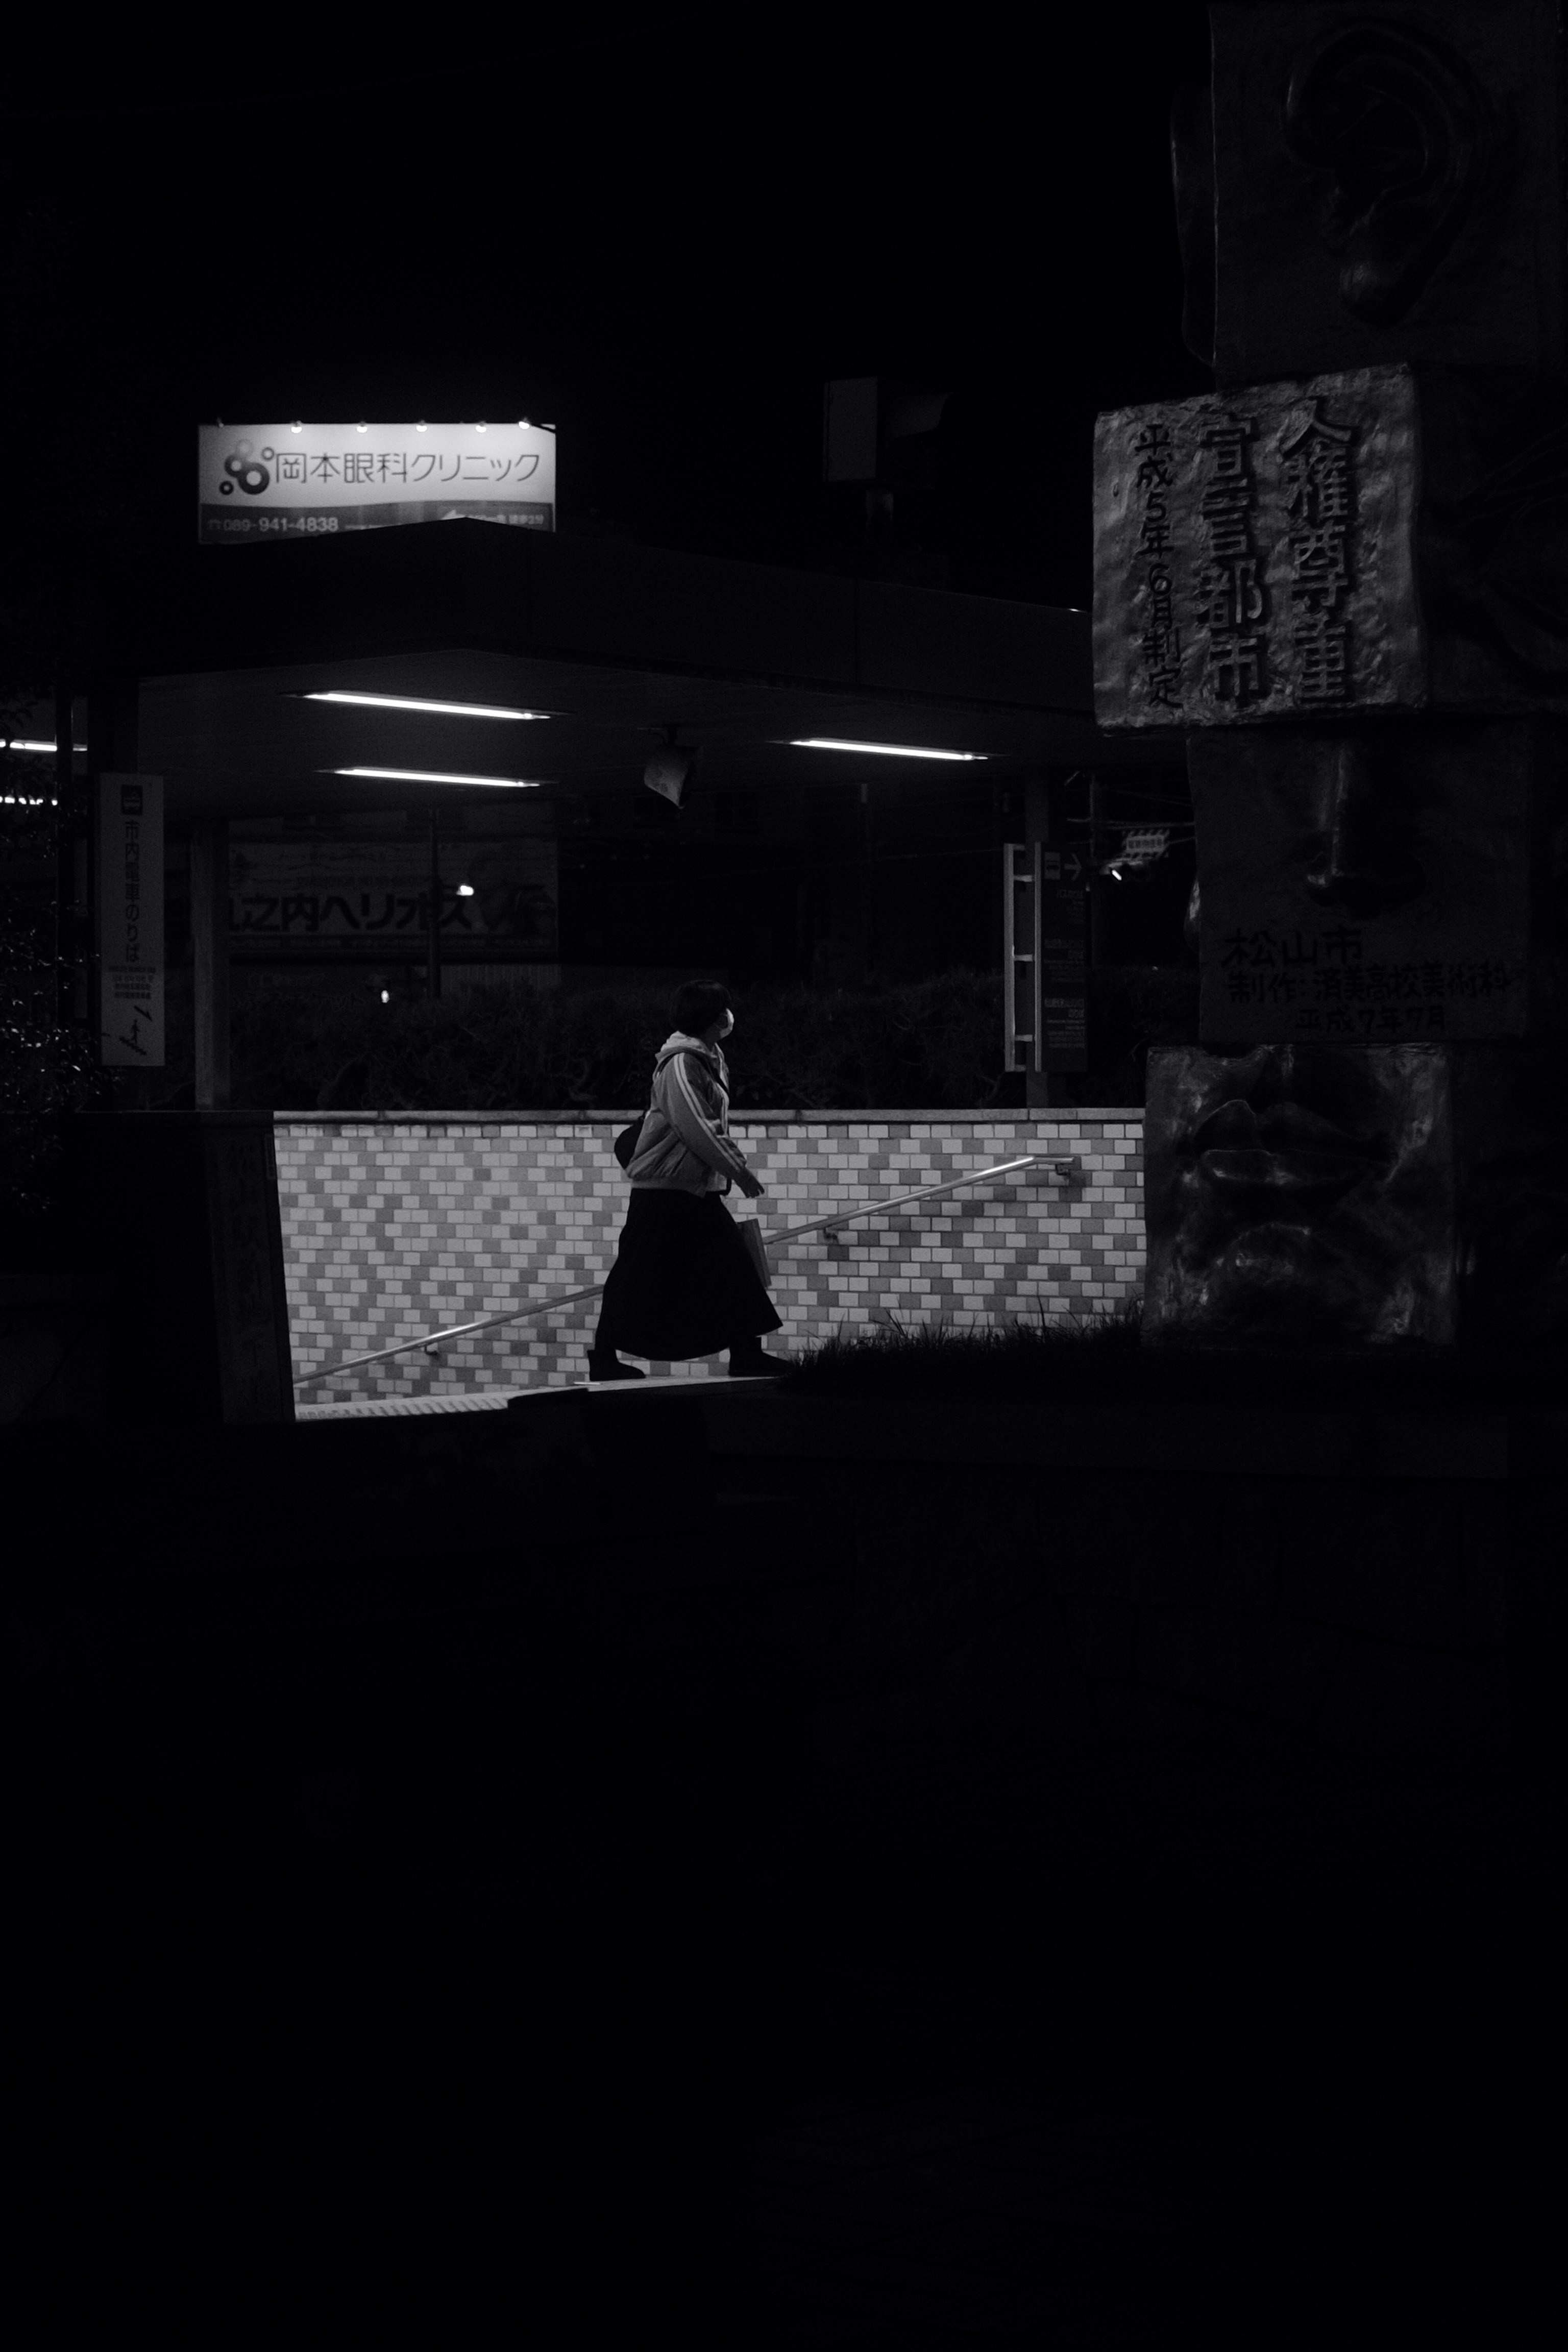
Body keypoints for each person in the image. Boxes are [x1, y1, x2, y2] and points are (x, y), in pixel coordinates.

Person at [586, 980, 787, 1381]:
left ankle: (746, 1352)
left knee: (731, 1261)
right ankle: (605, 1358)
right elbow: (697, 1125)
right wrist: (739, 1170)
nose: (730, 1017)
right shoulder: (681, 1063)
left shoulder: (707, 1057)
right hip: (663, 1190)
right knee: (637, 1273)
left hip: (690, 1189)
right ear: (711, 1017)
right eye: (724, 1010)